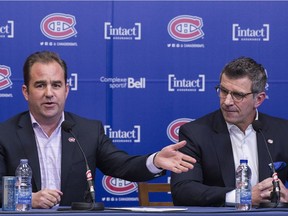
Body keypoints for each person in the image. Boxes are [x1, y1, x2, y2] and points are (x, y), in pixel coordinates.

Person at [0, 51, 196, 209]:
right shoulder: (5, 134)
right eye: (40, 85)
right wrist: (26, 199)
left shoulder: (88, 131)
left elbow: (122, 165)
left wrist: (154, 161)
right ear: (26, 92)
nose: (49, 93)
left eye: (56, 85)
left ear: (66, 90)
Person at [171, 56, 288, 207]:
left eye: (238, 95)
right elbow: (183, 191)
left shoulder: (282, 131)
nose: (227, 101)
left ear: (258, 99)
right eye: (223, 91)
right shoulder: (195, 133)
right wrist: (241, 197)